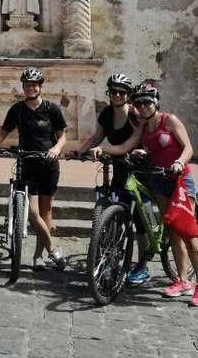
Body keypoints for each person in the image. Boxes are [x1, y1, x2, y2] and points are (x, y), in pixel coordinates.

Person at [90, 83, 198, 306]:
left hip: (180, 181)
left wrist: (178, 162)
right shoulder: (143, 128)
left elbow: (188, 148)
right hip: (159, 180)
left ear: (156, 103)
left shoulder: (169, 121)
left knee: (187, 232)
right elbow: (124, 146)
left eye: (147, 102)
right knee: (173, 231)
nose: (143, 106)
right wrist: (102, 149)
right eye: (138, 103)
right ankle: (183, 280)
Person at [0, 67, 68, 271]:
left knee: (46, 211)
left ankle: (38, 255)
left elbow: (62, 136)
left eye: (34, 84)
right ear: (23, 87)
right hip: (26, 164)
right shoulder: (17, 110)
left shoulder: (51, 109)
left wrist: (56, 149)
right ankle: (53, 249)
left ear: (40, 87)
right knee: (31, 213)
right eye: (27, 85)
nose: (31, 87)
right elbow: (3, 134)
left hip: (48, 165)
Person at [75, 73, 149, 284]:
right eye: (113, 91)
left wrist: (140, 154)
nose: (117, 95)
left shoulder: (135, 115)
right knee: (117, 213)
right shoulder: (107, 113)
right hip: (120, 167)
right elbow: (97, 137)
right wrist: (80, 152)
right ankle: (113, 259)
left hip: (139, 169)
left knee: (139, 217)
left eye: (121, 92)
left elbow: (143, 138)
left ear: (128, 94)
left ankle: (142, 265)